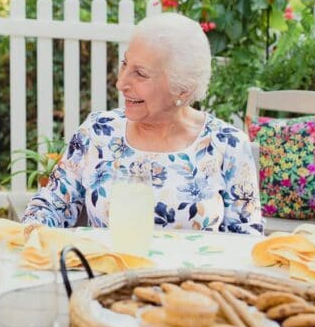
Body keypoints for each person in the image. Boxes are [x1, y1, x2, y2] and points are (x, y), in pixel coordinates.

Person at [21, 12, 262, 235]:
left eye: (140, 73)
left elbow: (246, 241)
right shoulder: (98, 132)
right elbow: (50, 205)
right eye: (125, 64)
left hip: (193, 281)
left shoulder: (228, 144)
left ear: (182, 87)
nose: (121, 83)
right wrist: (33, 228)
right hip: (107, 278)